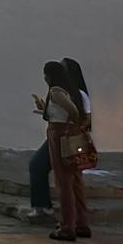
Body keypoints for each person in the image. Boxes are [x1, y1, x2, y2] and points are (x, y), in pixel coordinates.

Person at [26, 56, 92, 221]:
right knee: (66, 177)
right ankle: (77, 221)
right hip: (62, 136)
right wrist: (46, 109)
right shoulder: (62, 92)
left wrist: (70, 128)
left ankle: (67, 223)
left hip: (65, 139)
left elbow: (82, 117)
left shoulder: (72, 94)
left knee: (65, 180)